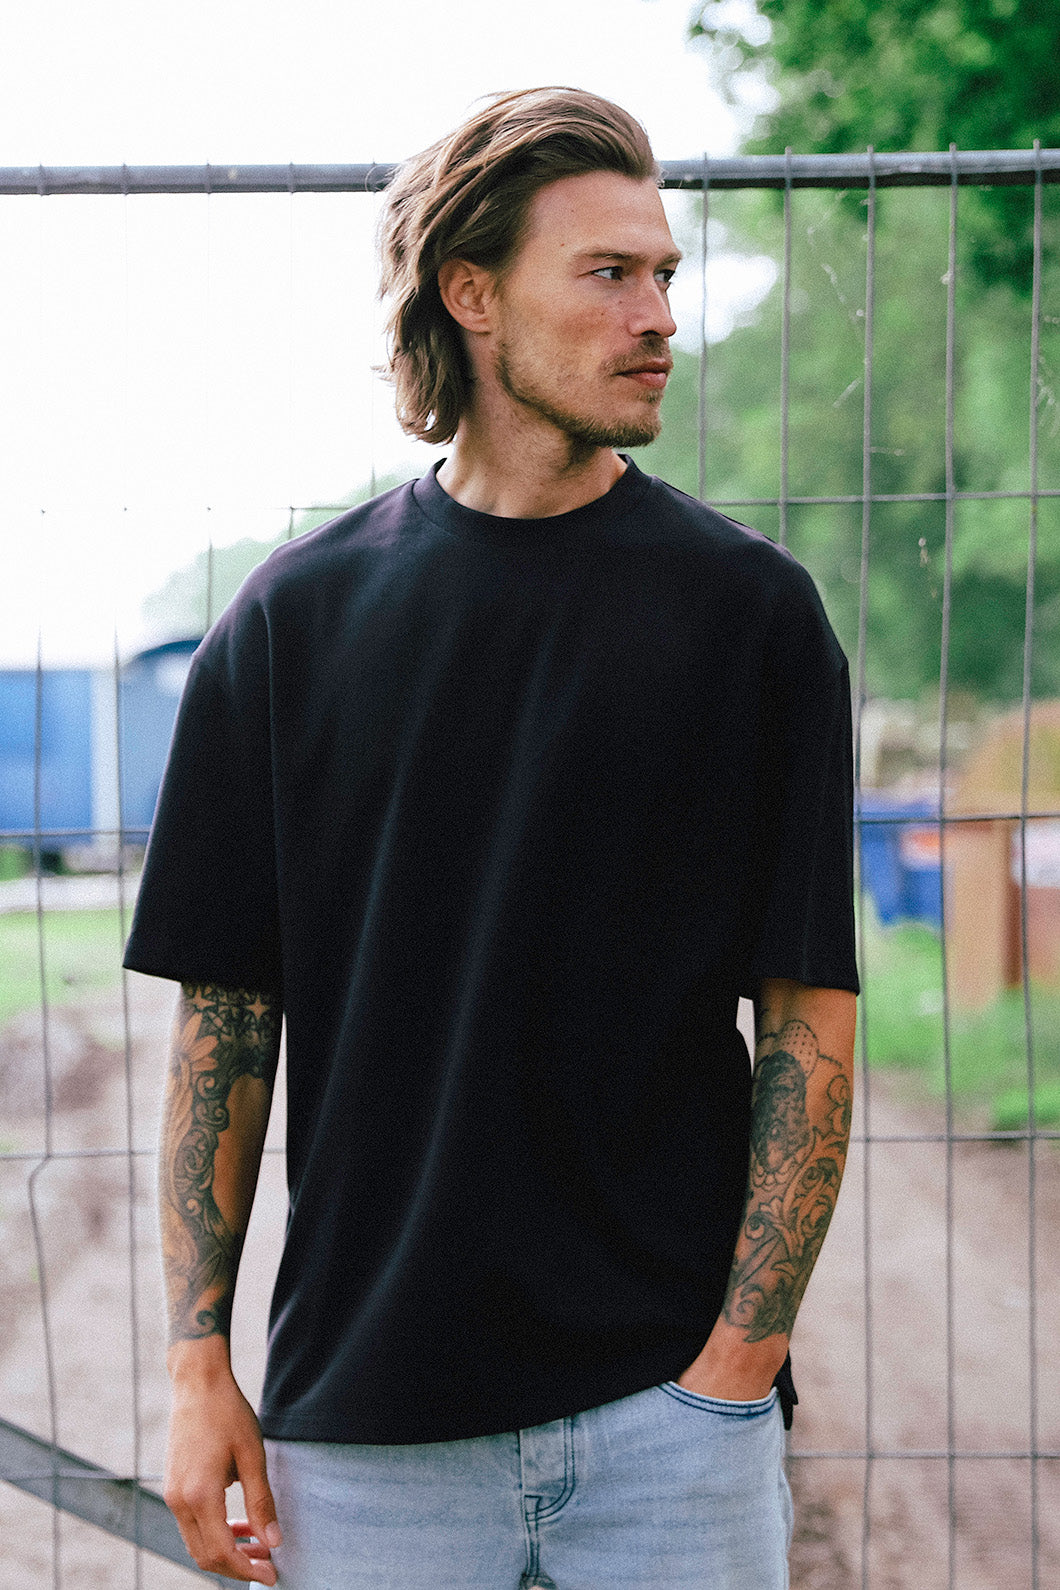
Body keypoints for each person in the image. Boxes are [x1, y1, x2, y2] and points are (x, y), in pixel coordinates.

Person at [124, 86, 859, 1589]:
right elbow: (226, 1025)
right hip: (366, 1434)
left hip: (669, 1427)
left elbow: (809, 1015)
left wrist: (735, 1372)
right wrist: (199, 1367)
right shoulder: (289, 626)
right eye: (609, 273)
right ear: (471, 294)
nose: (659, 316)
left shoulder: (753, 618)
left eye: (665, 273)